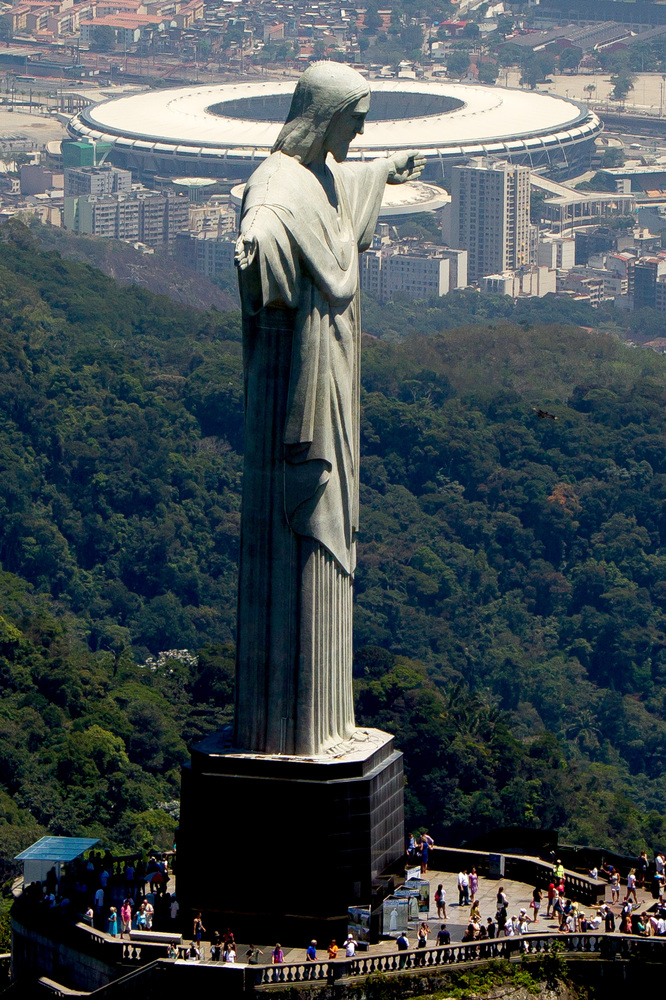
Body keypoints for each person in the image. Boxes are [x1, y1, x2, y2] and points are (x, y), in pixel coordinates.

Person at [233, 61, 425, 756]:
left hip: (335, 375)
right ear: (323, 116)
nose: (362, 129)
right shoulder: (277, 185)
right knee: (299, 531)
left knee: (331, 531)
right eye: (355, 118)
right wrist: (254, 247)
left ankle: (328, 725)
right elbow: (267, 220)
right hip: (296, 383)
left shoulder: (320, 175)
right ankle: (289, 733)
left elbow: (341, 185)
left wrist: (387, 167)